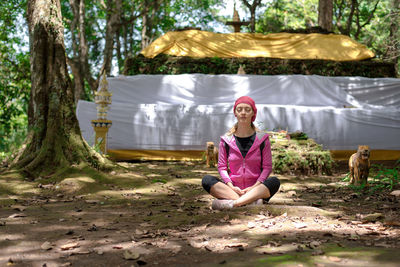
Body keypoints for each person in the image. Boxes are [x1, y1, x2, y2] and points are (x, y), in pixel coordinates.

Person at [202, 96, 280, 210]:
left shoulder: (263, 139)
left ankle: (234, 204)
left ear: (253, 113)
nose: (243, 113)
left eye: (247, 110)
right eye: (239, 109)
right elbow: (222, 167)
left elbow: (267, 167)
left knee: (274, 182)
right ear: (235, 113)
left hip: (256, 189)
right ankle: (250, 202)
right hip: (232, 189)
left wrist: (254, 187)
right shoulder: (226, 140)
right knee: (207, 180)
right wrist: (231, 186)